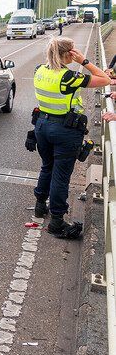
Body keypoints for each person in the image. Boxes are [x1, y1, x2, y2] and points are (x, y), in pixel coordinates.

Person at [32, 37, 113, 238]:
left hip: (41, 125)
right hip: (64, 130)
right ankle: (57, 222)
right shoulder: (69, 77)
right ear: (69, 54)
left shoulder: (39, 70)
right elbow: (105, 79)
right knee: (60, 175)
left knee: (47, 166)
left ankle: (40, 206)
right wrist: (84, 61)